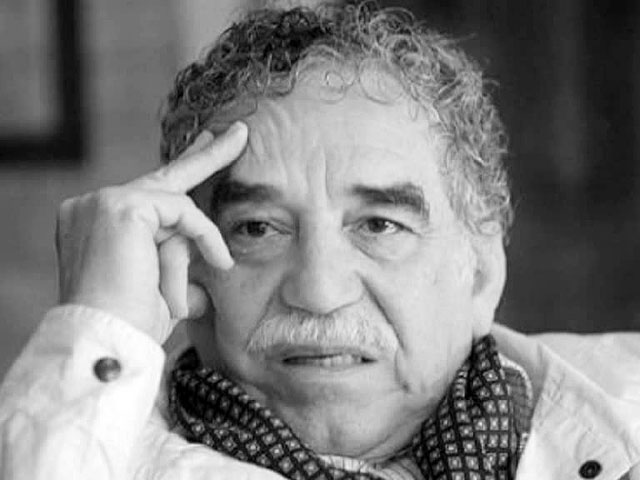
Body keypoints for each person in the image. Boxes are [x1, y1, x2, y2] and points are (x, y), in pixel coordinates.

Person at [1, 3, 639, 480]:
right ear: (188, 271)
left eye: (379, 225)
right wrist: (98, 324)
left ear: (480, 275)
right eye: (258, 228)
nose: (319, 291)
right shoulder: (82, 446)